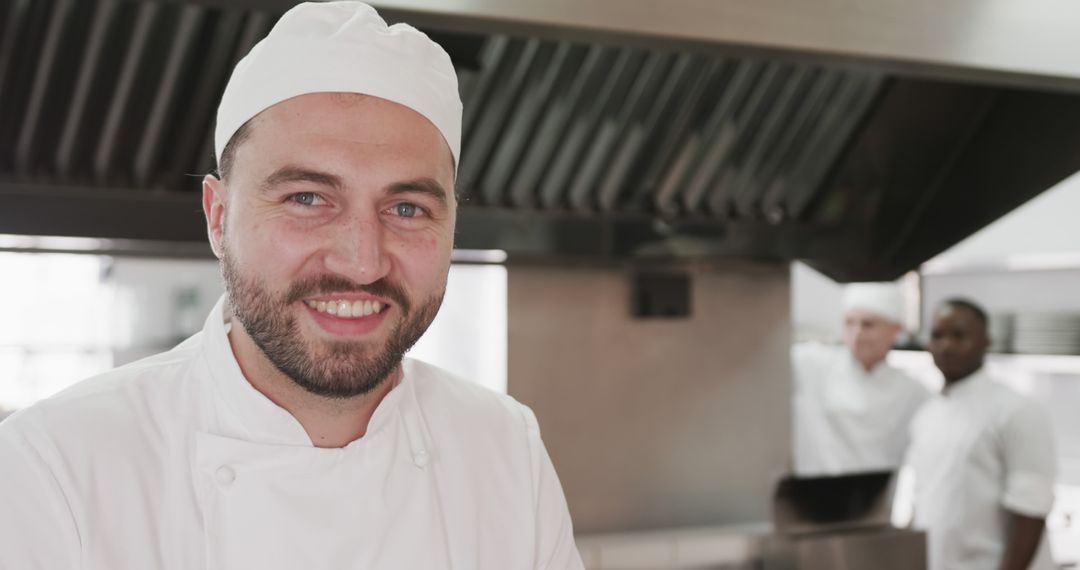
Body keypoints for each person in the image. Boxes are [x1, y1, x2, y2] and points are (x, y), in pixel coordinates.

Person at [0, 3, 584, 569]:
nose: (361, 262)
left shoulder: (506, 450)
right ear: (218, 217)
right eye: (307, 198)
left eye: (406, 208)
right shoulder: (54, 468)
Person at [906, 299, 1056, 570]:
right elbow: (925, 500)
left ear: (987, 342)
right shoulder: (926, 414)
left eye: (959, 335)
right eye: (937, 336)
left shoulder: (1016, 410)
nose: (946, 345)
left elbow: (1031, 511)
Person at [793, 282, 930, 476]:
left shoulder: (915, 392)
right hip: (813, 496)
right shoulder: (812, 365)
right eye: (849, 322)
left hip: (879, 499)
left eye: (868, 325)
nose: (857, 333)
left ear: (896, 329)